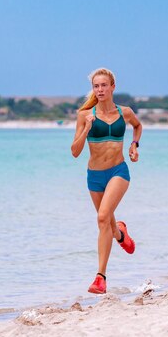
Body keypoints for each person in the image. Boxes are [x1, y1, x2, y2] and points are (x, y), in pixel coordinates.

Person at [71, 67, 143, 294]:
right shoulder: (85, 115)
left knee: (102, 218)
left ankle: (100, 278)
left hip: (118, 172)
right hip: (94, 176)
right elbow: (74, 151)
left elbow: (138, 126)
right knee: (108, 226)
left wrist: (134, 144)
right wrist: (87, 129)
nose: (100, 89)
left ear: (112, 87)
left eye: (104, 85)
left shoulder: (125, 112)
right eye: (96, 86)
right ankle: (120, 233)